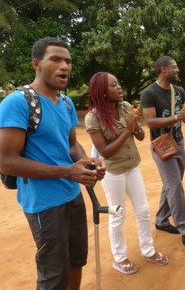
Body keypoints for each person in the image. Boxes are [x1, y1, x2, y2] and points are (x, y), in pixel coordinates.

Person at [0, 37, 106, 290]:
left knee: (76, 261)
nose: (65, 66)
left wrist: (87, 161)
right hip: (44, 205)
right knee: (53, 275)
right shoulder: (17, 103)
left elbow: (71, 145)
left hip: (72, 196)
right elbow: (6, 162)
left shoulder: (66, 102)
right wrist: (69, 171)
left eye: (68, 61)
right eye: (56, 60)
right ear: (37, 64)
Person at [85, 72, 168, 274]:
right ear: (102, 92)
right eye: (114, 85)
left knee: (143, 210)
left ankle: (148, 251)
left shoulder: (126, 106)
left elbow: (139, 136)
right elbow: (105, 151)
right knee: (118, 214)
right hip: (112, 172)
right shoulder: (92, 117)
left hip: (132, 167)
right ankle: (120, 258)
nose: (119, 88)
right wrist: (128, 128)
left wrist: (136, 126)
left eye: (119, 83)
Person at [140, 56, 185, 249]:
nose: (178, 71)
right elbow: (150, 122)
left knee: (171, 185)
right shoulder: (149, 93)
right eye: (174, 67)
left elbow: (184, 120)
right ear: (163, 69)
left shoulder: (179, 91)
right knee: (175, 185)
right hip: (160, 144)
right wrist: (176, 117)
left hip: (178, 143)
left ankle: (161, 220)